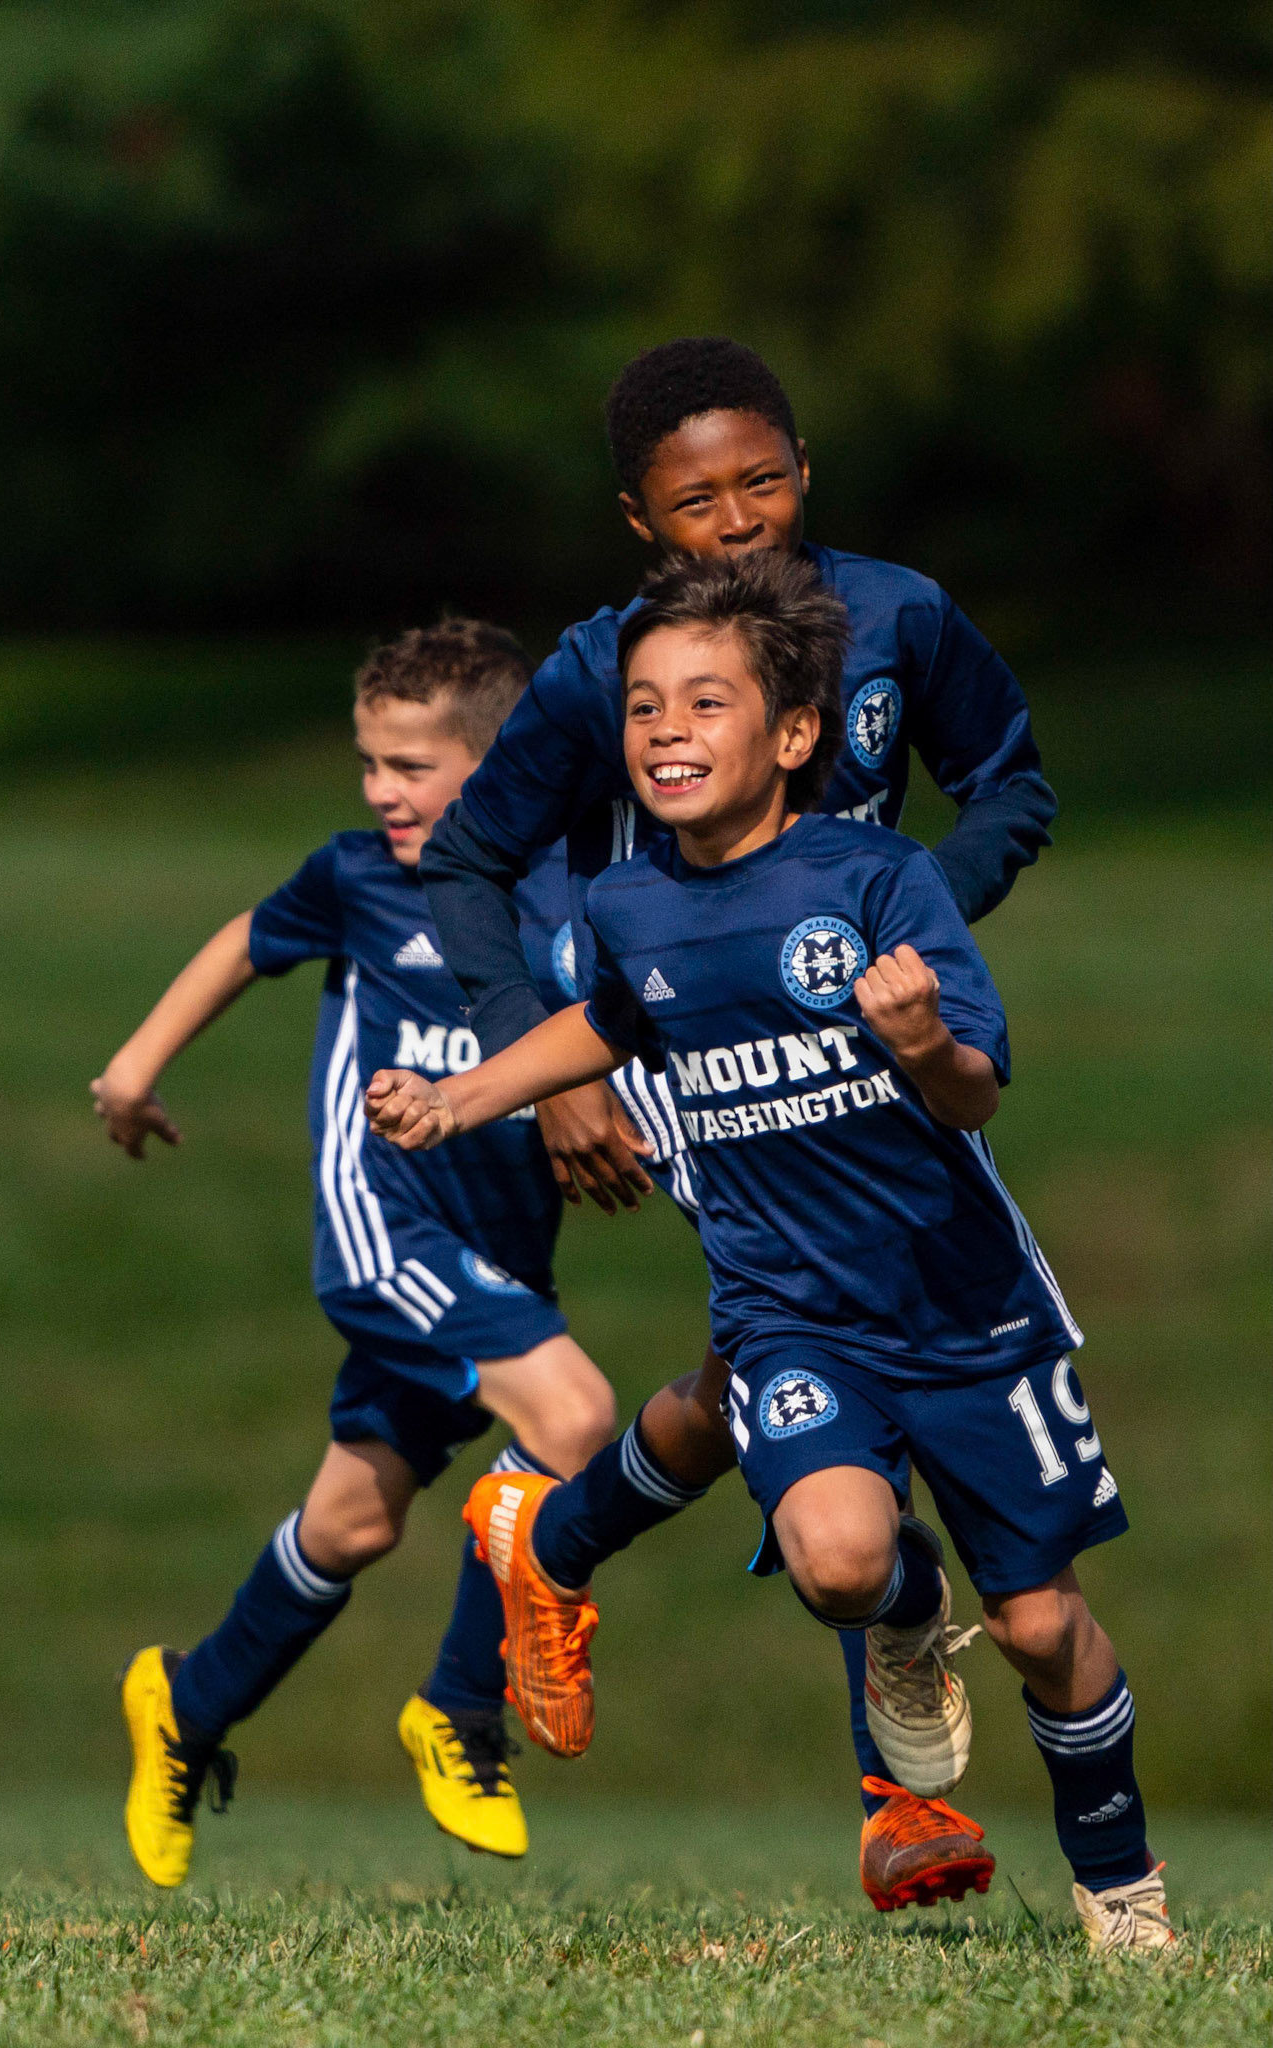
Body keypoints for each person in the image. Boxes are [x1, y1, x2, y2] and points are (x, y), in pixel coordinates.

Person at [368, 552, 1174, 1951]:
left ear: (796, 734)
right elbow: (607, 1025)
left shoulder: (881, 878)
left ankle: (1121, 1885)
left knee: (1043, 1628)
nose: (666, 730)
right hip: (788, 1312)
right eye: (643, 707)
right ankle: (909, 1613)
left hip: (966, 1311)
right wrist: (463, 1096)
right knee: (840, 1563)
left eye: (706, 703)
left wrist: (921, 1041)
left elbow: (975, 1092)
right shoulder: (628, 905)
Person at [419, 335, 1058, 1900]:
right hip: (693, 1049)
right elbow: (472, 858)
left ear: (804, 473)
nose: (737, 519)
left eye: (762, 482)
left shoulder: (899, 617)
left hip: (875, 1042)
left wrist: (902, 924)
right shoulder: (607, 668)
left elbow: (1010, 787)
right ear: (640, 521)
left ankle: (553, 1541)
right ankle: (898, 1796)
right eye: (695, 502)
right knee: (837, 1325)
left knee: (774, 1363)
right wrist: (552, 1071)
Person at [91, 620, 616, 1886]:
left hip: (500, 1253)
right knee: (575, 1413)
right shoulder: (359, 878)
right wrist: (134, 1068)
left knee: (353, 1519)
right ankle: (459, 1707)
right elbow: (244, 940)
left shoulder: (567, 883)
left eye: (410, 766)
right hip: (387, 1230)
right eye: (370, 762)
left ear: (496, 765)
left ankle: (185, 1703)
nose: (381, 790)